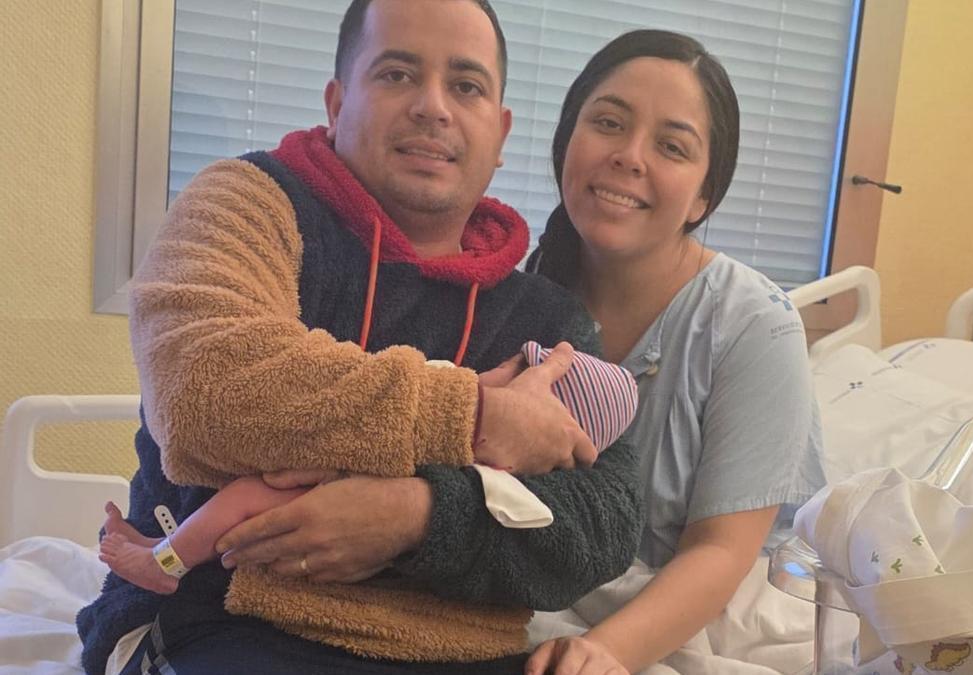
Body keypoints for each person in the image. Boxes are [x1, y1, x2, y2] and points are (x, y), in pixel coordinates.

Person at [75, 1, 645, 673]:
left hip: (462, 653)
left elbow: (604, 523)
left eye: (466, 85)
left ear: (500, 133)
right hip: (224, 623)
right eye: (398, 74)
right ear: (337, 101)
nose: (433, 106)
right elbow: (202, 391)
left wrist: (420, 516)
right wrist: (475, 416)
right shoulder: (248, 203)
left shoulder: (548, 326)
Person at [524, 30, 825, 674]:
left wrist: (604, 654)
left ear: (704, 194)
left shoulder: (755, 326)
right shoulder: (522, 298)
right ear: (566, 141)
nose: (629, 157)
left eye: (671, 146)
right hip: (544, 595)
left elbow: (719, 553)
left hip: (701, 608)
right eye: (608, 123)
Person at [97, 341, 639, 595]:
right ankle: (157, 549)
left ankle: (165, 567)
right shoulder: (470, 396)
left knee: (247, 497)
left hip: (333, 494)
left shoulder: (505, 463)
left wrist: (418, 505)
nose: (492, 368)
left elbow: (519, 508)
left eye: (512, 370)